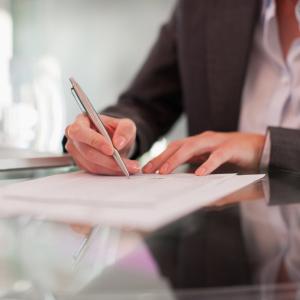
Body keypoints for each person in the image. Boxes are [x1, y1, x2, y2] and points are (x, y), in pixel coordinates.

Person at [65, 0, 300, 176]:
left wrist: (264, 147)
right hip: (223, 232)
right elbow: (146, 103)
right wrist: (112, 136)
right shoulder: (203, 6)